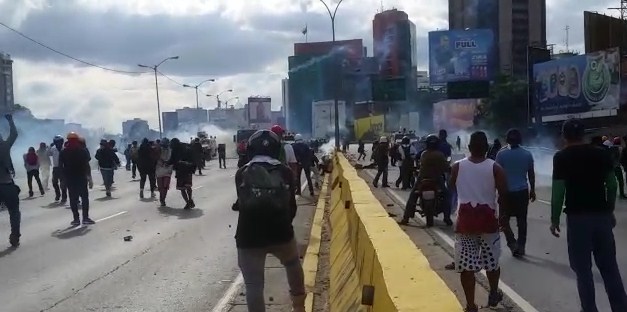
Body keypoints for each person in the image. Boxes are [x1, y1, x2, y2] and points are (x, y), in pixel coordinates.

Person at [550, 119, 627, 312]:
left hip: (577, 220)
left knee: (583, 272)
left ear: (564, 136)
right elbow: (612, 185)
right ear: (583, 134)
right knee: (610, 268)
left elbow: (558, 192)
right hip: (601, 217)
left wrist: (554, 219)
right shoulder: (601, 154)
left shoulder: (561, 157)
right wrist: (609, 211)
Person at [234, 129, 305, 312]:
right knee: (292, 263)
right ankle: (299, 306)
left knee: (254, 285)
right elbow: (292, 206)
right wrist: (283, 224)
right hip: (280, 232)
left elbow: (242, 204)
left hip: (248, 237)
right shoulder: (285, 172)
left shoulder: (242, 173)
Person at [449, 131, 507, 312]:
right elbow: (504, 195)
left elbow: (450, 188)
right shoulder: (495, 168)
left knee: (467, 266)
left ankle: (470, 305)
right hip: (489, 222)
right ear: (487, 148)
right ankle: (493, 292)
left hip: (465, 223)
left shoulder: (457, 167)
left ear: (468, 147)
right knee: (492, 262)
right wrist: (503, 218)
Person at [495, 129, 535, 257]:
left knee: (503, 220)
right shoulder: (527, 154)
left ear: (507, 139)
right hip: (522, 192)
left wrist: (497, 191)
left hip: (506, 192)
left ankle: (512, 244)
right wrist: (532, 190)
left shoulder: (501, 155)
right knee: (521, 220)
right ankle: (521, 246)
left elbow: (497, 175)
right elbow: (531, 174)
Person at [400, 134, 452, 226]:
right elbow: (446, 167)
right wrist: (449, 169)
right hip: (436, 179)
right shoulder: (439, 154)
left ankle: (406, 218)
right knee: (447, 195)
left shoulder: (423, 153)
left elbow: (417, 160)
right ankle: (447, 218)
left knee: (412, 196)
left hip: (422, 178)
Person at [60, 132, 93, 225]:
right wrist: (89, 178)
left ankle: (76, 219)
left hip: (70, 178)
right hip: (81, 177)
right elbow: (87, 165)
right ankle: (85, 218)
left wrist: (62, 180)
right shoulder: (83, 151)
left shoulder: (63, 152)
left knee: (73, 199)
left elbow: (60, 167)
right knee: (84, 198)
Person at [0, 114, 19, 246]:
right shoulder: (4, 146)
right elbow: (14, 134)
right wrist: (10, 121)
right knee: (14, 212)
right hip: (6, 184)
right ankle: (15, 235)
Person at [168, 138, 195, 209]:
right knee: (187, 186)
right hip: (187, 170)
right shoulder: (187, 147)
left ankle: (188, 202)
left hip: (181, 171)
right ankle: (189, 200)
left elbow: (171, 160)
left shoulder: (175, 150)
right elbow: (193, 159)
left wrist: (166, 163)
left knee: (182, 188)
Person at [49, 135, 67, 204]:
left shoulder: (64, 149)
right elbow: (48, 154)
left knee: (63, 184)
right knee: (54, 182)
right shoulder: (53, 149)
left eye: (59, 142)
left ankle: (64, 197)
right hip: (55, 168)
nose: (58, 143)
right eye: (56, 142)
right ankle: (58, 194)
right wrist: (50, 146)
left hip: (63, 168)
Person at [156, 138, 173, 206]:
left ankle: (163, 199)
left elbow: (172, 158)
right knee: (161, 187)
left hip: (167, 170)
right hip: (159, 170)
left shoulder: (171, 150)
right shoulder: (158, 150)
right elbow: (155, 158)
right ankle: (162, 198)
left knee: (165, 186)